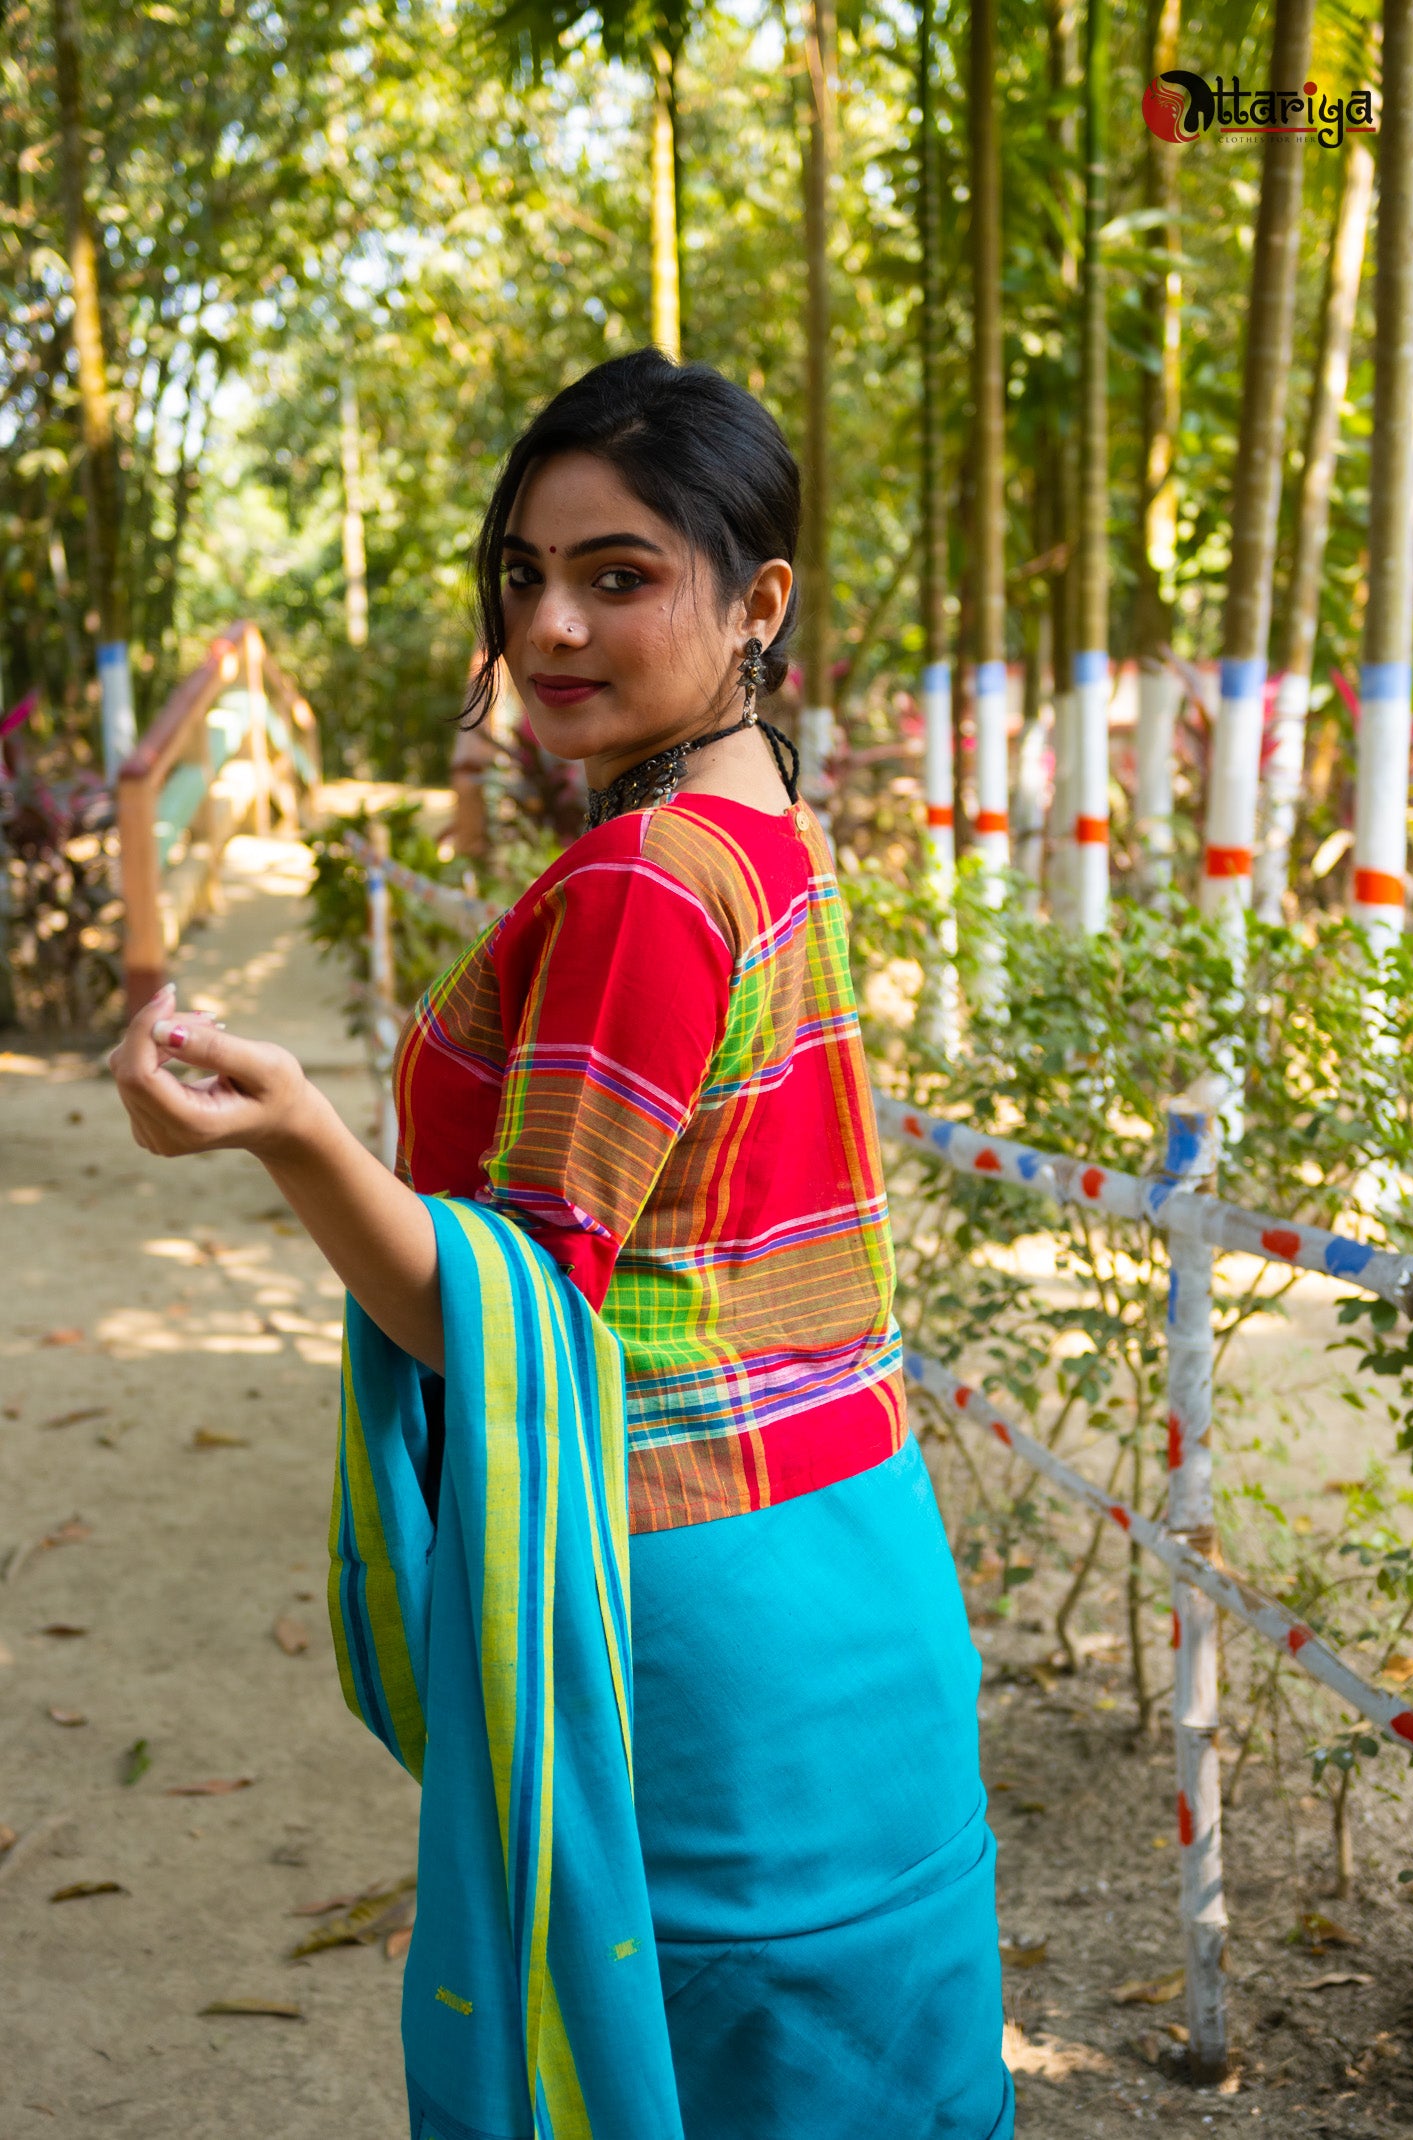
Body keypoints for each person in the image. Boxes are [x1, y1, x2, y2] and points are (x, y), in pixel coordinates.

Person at [110, 348, 1013, 2140]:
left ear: (758, 602)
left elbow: (505, 1309)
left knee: (699, 2060)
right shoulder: (767, 835)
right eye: (525, 574)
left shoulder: (642, 883)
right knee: (858, 2058)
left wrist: (290, 1130)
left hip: (688, 1606)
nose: (550, 625)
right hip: (854, 1567)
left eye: (618, 575)